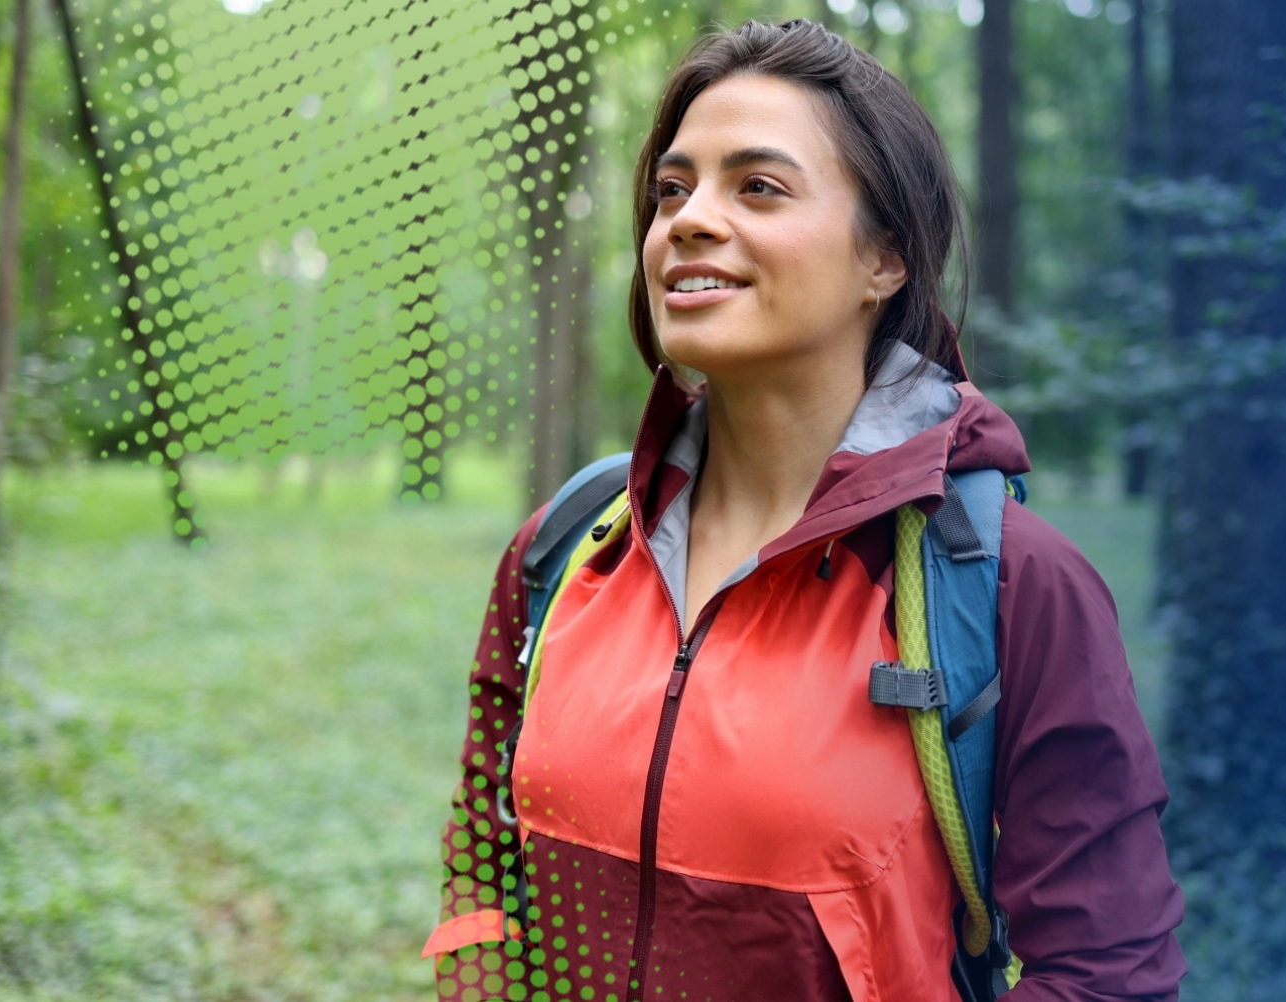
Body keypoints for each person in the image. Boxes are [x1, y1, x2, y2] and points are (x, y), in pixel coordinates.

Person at [420, 21, 1184, 1002]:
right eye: (670, 189)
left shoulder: (1009, 585)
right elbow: (486, 828)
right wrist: (477, 965)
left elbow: (1106, 975)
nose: (688, 219)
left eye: (758, 187)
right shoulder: (567, 544)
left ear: (885, 260)